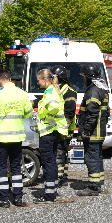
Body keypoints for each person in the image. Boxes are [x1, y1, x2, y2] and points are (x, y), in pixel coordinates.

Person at [0, 70, 33, 207]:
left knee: (1, 168)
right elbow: (28, 113)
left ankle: (3, 198)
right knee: (16, 167)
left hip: (2, 137)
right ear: (10, 78)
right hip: (17, 137)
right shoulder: (22, 94)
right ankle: (18, 197)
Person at [34, 69, 68, 203]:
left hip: (48, 132)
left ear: (45, 79)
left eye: (38, 80)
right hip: (53, 131)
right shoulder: (53, 90)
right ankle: (51, 190)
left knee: (48, 163)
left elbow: (53, 107)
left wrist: (43, 115)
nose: (38, 82)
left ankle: (49, 194)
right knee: (52, 162)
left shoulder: (50, 92)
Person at [76, 63, 109, 196]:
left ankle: (93, 187)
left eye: (84, 76)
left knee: (91, 158)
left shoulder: (93, 91)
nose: (83, 78)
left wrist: (86, 130)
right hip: (99, 131)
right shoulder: (101, 89)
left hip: (93, 133)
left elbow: (92, 113)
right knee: (97, 157)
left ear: (88, 77)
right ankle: (98, 182)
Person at [52, 65, 77, 186]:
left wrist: (64, 128)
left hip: (65, 128)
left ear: (59, 77)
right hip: (57, 127)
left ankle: (60, 177)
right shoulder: (56, 90)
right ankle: (62, 175)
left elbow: (70, 112)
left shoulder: (69, 92)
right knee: (61, 152)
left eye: (53, 77)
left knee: (60, 152)